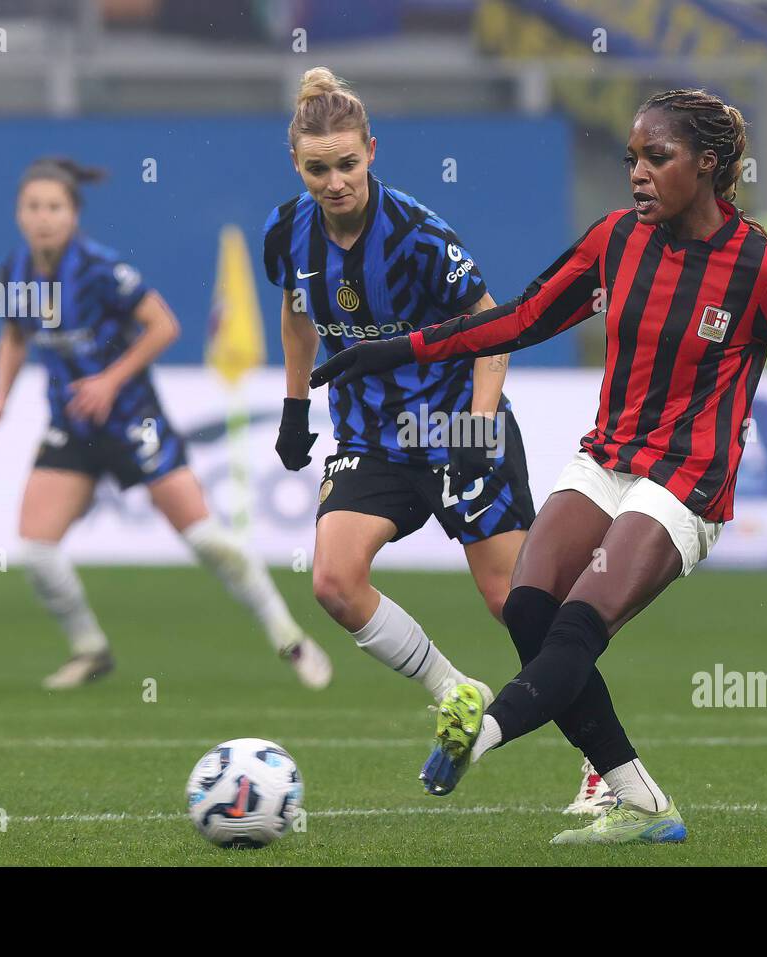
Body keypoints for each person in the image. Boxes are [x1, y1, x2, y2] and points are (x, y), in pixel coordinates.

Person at [312, 89, 767, 845]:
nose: (639, 174)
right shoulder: (616, 240)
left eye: (658, 157)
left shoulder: (764, 270)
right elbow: (520, 317)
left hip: (686, 482)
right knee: (527, 606)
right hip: (608, 456)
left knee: (578, 627)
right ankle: (641, 800)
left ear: (707, 165)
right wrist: (396, 348)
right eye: (632, 159)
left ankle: (481, 735)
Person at [265, 67, 613, 813]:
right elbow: (297, 314)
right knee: (332, 581)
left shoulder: (420, 237)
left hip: (458, 422)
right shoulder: (286, 232)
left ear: (372, 152)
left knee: (517, 604)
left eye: (348, 164)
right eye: (318, 168)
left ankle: (602, 767)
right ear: (297, 164)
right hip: (372, 437)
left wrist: (479, 428)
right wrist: (296, 406)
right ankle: (453, 689)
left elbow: (495, 333)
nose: (335, 182)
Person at [0, 157, 330, 691]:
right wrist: (0, 398)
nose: (43, 217)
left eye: (54, 206)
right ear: (19, 215)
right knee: (34, 549)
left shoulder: (100, 269)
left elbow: (163, 325)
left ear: (74, 214)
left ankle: (289, 637)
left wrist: (109, 380)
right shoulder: (16, 272)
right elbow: (13, 336)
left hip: (132, 422)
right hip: (73, 428)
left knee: (208, 542)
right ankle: (90, 649)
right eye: (33, 207)